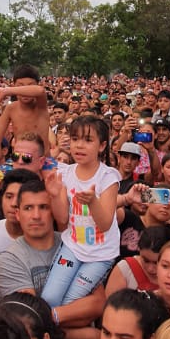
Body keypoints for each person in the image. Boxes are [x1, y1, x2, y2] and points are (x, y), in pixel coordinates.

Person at [41, 115, 120, 308]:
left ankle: (57, 333)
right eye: (75, 139)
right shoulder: (66, 173)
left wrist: (93, 202)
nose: (79, 146)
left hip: (101, 254)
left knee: (70, 302)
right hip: (72, 248)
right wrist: (53, 194)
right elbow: (62, 218)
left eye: (88, 140)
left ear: (101, 146)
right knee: (49, 298)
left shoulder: (108, 177)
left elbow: (105, 224)